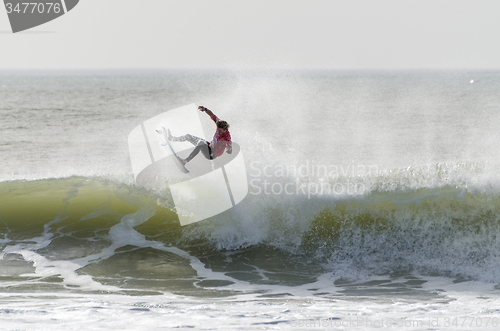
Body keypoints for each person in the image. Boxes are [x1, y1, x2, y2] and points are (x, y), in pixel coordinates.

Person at [168, 106, 232, 165]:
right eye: (217, 130)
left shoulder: (226, 138)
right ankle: (172, 138)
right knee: (188, 136)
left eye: (220, 131)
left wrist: (229, 149)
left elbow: (229, 146)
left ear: (225, 129)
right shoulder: (219, 122)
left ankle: (185, 161)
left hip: (211, 154)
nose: (218, 132)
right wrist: (205, 109)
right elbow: (212, 114)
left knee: (201, 143)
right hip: (210, 146)